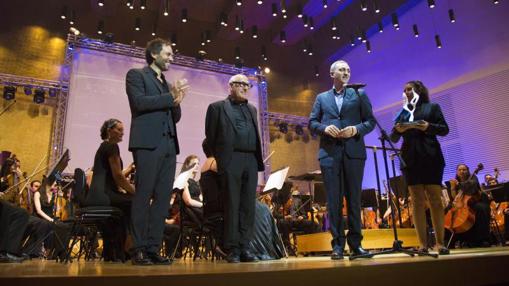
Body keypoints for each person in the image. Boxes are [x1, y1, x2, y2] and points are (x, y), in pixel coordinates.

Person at [126, 38, 189, 265]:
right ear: (154, 54)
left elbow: (176, 117)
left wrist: (177, 100)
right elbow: (139, 103)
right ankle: (139, 249)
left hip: (169, 145)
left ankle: (153, 248)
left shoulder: (166, 84)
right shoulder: (136, 75)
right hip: (147, 143)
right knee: (143, 195)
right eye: (168, 54)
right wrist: (170, 96)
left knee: (163, 199)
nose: (172, 58)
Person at [308, 60, 375, 260]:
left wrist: (356, 129)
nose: (346, 72)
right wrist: (324, 128)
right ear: (332, 74)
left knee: (354, 199)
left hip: (354, 153)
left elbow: (370, 121)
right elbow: (312, 122)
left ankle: (356, 244)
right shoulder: (322, 98)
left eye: (348, 70)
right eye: (342, 69)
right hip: (329, 155)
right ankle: (337, 244)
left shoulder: (359, 94)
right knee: (334, 201)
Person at [205, 74, 265, 263]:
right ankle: (232, 249)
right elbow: (211, 136)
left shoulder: (252, 109)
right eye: (239, 84)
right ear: (230, 86)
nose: (244, 87)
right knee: (231, 204)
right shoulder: (217, 108)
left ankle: (245, 247)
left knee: (248, 206)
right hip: (231, 160)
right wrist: (222, 159)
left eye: (247, 85)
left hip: (250, 160)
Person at [390, 80, 450, 255]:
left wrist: (428, 127)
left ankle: (440, 243)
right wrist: (398, 131)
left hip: (431, 155)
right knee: (416, 201)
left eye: (409, 89)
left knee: (435, 200)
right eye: (404, 90)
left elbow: (444, 129)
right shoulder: (402, 112)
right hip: (410, 157)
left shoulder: (432, 107)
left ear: (418, 90)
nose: (406, 92)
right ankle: (422, 244)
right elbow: (393, 138)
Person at [86, 118, 135, 262]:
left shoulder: (103, 147)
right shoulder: (112, 146)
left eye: (123, 130)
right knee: (136, 202)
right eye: (119, 129)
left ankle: (116, 251)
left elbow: (113, 176)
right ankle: (129, 248)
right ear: (109, 130)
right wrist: (134, 191)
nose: (123, 133)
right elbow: (118, 177)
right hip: (104, 196)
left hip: (97, 195)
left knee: (126, 205)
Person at [447, 164, 491, 247]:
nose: (462, 171)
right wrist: (453, 188)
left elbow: (471, 186)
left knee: (481, 208)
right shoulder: (455, 181)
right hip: (462, 204)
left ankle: (481, 239)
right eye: (459, 170)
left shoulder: (473, 177)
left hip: (475, 202)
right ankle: (451, 240)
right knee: (447, 210)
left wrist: (459, 184)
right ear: (457, 172)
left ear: (468, 171)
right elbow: (454, 198)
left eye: (464, 169)